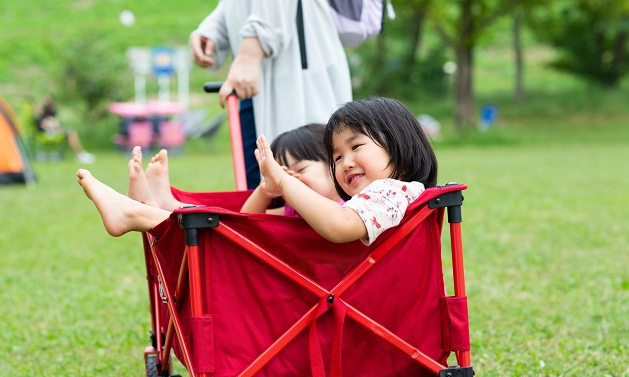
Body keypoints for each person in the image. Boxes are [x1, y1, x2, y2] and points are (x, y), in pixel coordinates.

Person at [77, 97, 437, 247]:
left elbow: (339, 227)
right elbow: (248, 228)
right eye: (337, 156)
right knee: (224, 234)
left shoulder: (393, 192)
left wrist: (280, 180)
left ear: (400, 144)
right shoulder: (380, 200)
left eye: (356, 147)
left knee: (217, 242)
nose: (345, 163)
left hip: (337, 306)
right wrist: (268, 189)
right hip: (332, 302)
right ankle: (155, 207)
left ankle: (140, 212)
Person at [189, 0, 352, 190]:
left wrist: (250, 53)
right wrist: (212, 31)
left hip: (291, 69)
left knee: (304, 172)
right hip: (255, 77)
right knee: (265, 184)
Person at [240, 123, 341, 215]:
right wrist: (263, 192)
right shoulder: (293, 211)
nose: (290, 179)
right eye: (284, 174)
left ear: (332, 164)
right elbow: (247, 222)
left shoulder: (350, 209)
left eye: (301, 169)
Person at [35, 95, 95, 164]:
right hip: (47, 133)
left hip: (55, 131)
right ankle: (80, 154)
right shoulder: (41, 114)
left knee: (71, 132)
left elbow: (56, 123)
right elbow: (44, 124)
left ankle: (80, 153)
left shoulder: (53, 112)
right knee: (70, 133)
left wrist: (56, 125)